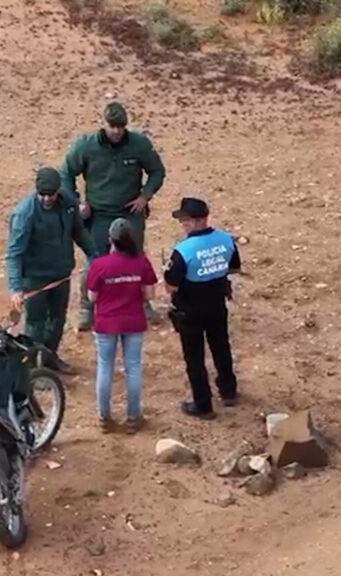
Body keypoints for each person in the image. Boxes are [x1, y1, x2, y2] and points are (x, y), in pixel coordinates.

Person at [58, 101, 166, 332]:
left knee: (135, 258)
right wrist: (78, 203)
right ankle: (87, 308)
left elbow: (157, 171)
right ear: (103, 123)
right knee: (95, 261)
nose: (116, 131)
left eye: (120, 126)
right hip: (98, 215)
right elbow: (66, 173)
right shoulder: (86, 146)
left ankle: (143, 303)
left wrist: (145, 196)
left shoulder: (139, 145)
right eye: (112, 126)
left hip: (130, 214)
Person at [4, 166, 97, 375]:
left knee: (57, 320)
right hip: (35, 279)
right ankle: (32, 370)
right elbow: (14, 252)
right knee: (35, 326)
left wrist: (95, 257)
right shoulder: (24, 214)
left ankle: (49, 359)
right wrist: (15, 287)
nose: (47, 199)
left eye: (51, 194)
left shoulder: (68, 204)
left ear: (58, 191)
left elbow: (79, 233)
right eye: (42, 195)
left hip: (61, 274)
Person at [163, 197, 242, 420]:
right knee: (221, 347)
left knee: (195, 358)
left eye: (184, 220)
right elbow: (234, 268)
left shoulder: (183, 250)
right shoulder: (226, 240)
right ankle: (228, 391)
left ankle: (203, 404)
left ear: (194, 221)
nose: (182, 224)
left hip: (190, 309)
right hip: (217, 303)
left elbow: (171, 286)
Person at [86, 218, 158, 433]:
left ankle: (104, 417)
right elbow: (150, 293)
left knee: (105, 367)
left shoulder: (100, 265)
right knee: (133, 367)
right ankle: (133, 416)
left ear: (111, 239)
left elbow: (91, 297)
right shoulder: (141, 262)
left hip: (106, 322)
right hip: (133, 320)